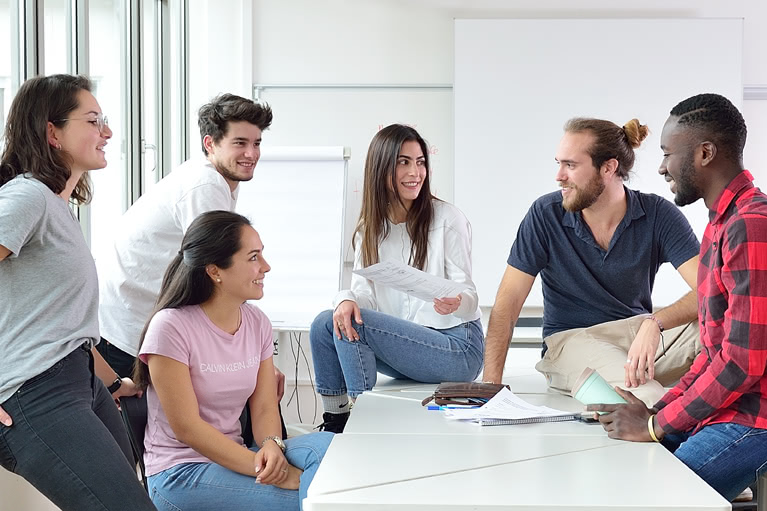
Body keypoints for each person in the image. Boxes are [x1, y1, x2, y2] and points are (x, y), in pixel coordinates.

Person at [588, 93, 767, 502]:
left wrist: (657, 425)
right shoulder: (721, 224)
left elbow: (743, 362)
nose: (661, 166)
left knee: (650, 495)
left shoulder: (750, 226)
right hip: (732, 409)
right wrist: (662, 412)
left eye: (668, 153)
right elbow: (713, 349)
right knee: (623, 465)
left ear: (705, 153)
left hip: (755, 419)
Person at [0, 74, 155, 509]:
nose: (106, 132)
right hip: (34, 394)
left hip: (79, 381)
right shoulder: (27, 197)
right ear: (52, 132)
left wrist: (112, 381)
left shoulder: (56, 207)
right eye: (93, 120)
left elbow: (59, 324)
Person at [95, 93, 285, 440]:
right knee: (159, 441)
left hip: (146, 319)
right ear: (210, 143)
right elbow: (222, 278)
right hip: (130, 328)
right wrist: (259, 363)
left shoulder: (220, 181)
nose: (252, 154)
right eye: (240, 143)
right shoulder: (205, 186)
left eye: (257, 143)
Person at [482, 117, 701, 406]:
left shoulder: (658, 214)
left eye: (570, 165)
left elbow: (711, 290)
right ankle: (665, 417)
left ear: (608, 168)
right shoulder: (545, 214)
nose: (559, 175)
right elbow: (507, 303)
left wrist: (655, 323)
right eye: (558, 163)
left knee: (729, 327)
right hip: (573, 341)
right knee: (647, 398)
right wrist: (490, 386)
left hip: (637, 336)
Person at [134, 210, 332, 510]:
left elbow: (265, 406)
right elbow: (188, 428)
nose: (266, 267)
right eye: (253, 258)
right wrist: (267, 468)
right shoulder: (170, 327)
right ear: (216, 271)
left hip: (239, 455)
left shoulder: (257, 322)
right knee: (309, 497)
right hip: (181, 472)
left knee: (332, 450)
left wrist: (271, 445)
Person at [310, 124, 484, 433]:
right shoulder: (371, 229)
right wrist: (345, 298)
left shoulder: (447, 219)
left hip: (457, 347)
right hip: (410, 348)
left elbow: (469, 298)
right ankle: (335, 421)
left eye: (420, 162)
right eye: (403, 162)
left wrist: (458, 302)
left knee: (349, 325)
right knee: (326, 323)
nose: (415, 172)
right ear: (382, 168)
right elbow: (363, 297)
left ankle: (361, 422)